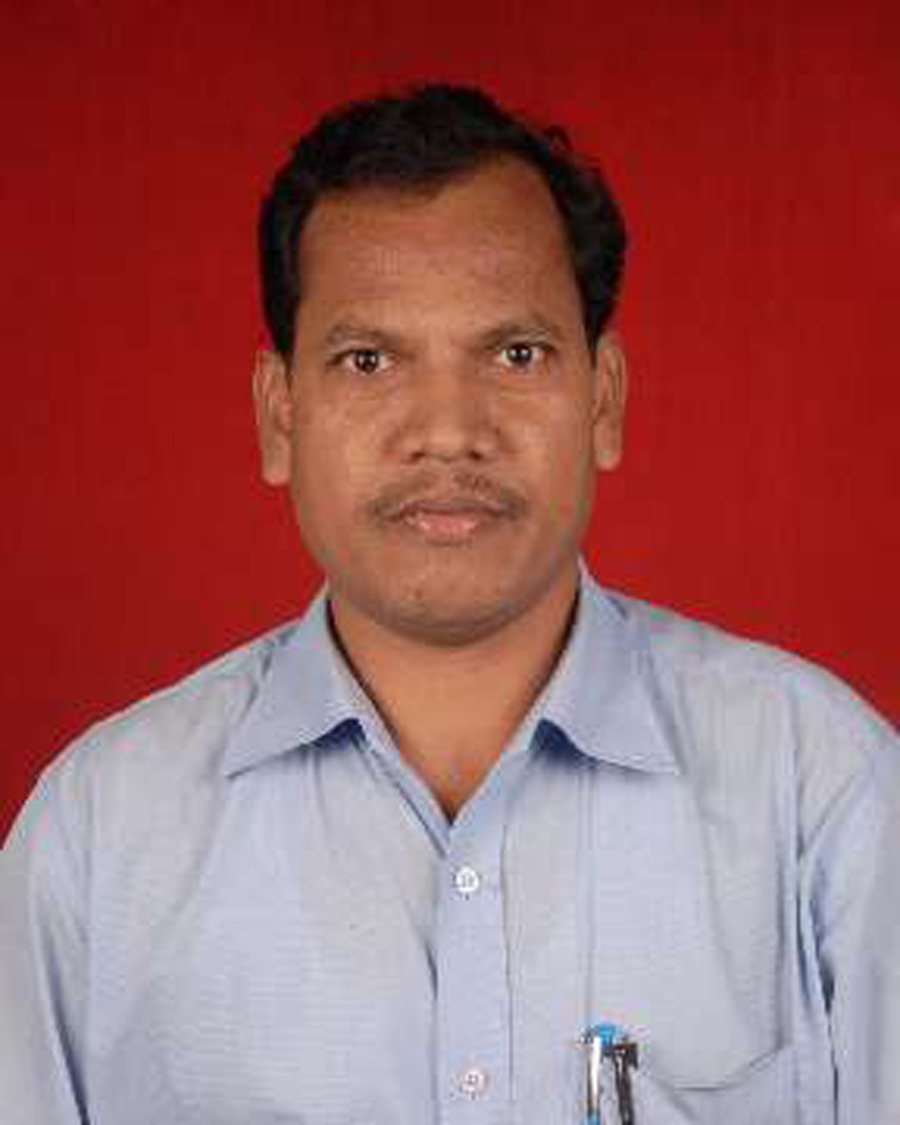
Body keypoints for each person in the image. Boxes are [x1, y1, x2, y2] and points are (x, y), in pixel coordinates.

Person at [0, 83, 897, 1125]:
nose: (447, 430)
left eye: (516, 354)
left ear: (603, 399)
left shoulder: (825, 798)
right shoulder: (98, 842)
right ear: (279, 416)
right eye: (368, 360)